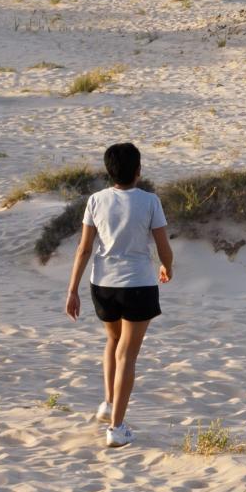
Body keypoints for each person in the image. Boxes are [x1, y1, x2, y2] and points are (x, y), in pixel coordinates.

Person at [62, 142, 173, 447]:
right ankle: (117, 427)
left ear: (109, 171)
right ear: (138, 171)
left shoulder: (96, 200)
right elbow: (163, 246)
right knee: (128, 354)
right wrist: (167, 267)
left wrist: (72, 289)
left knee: (113, 341)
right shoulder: (150, 201)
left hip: (103, 285)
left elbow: (84, 249)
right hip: (138, 284)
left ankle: (109, 403)